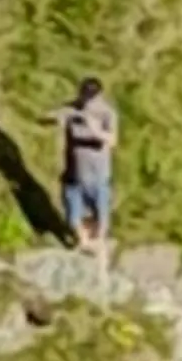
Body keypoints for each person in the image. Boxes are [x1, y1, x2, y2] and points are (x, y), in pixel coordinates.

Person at [58, 76, 118, 273]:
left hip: (98, 174)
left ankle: (99, 250)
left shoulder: (107, 113)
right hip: (74, 172)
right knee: (74, 215)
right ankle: (83, 244)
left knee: (100, 216)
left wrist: (94, 129)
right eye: (84, 96)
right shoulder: (73, 109)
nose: (87, 101)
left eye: (91, 97)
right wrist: (59, 116)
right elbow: (50, 116)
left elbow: (112, 140)